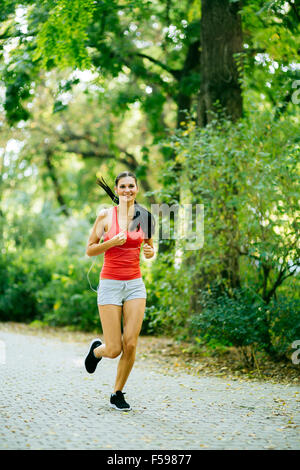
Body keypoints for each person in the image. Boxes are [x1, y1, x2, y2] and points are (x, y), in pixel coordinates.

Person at [84, 171, 155, 411]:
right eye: (122, 186)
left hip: (135, 284)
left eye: (131, 186)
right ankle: (97, 351)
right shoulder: (105, 216)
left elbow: (149, 247)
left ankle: (117, 393)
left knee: (131, 343)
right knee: (114, 349)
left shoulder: (144, 216)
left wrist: (150, 252)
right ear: (116, 190)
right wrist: (110, 243)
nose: (127, 190)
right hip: (110, 284)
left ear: (137, 189)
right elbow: (90, 249)